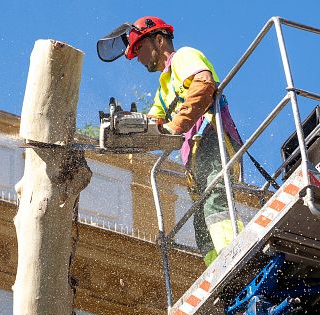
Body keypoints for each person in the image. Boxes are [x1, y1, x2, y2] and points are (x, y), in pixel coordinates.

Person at [104, 16, 243, 266]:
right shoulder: (163, 89)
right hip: (195, 157)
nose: (138, 57)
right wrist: (123, 131)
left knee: (215, 202)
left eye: (140, 48)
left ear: (159, 40)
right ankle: (219, 273)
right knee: (201, 221)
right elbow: (153, 125)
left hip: (213, 139)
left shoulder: (184, 57)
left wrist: (176, 125)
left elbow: (203, 85)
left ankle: (235, 256)